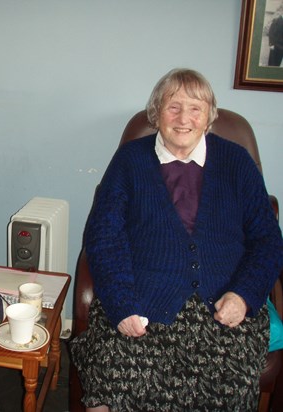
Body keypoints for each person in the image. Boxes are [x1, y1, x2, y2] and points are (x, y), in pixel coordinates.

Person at [70, 68, 283, 411]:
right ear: (156, 113)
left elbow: (268, 240)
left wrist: (243, 296)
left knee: (226, 387)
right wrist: (123, 304)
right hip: (142, 300)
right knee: (109, 382)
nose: (184, 118)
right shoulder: (130, 160)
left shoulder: (236, 162)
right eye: (173, 106)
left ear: (210, 116)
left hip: (222, 305)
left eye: (196, 108)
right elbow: (103, 236)